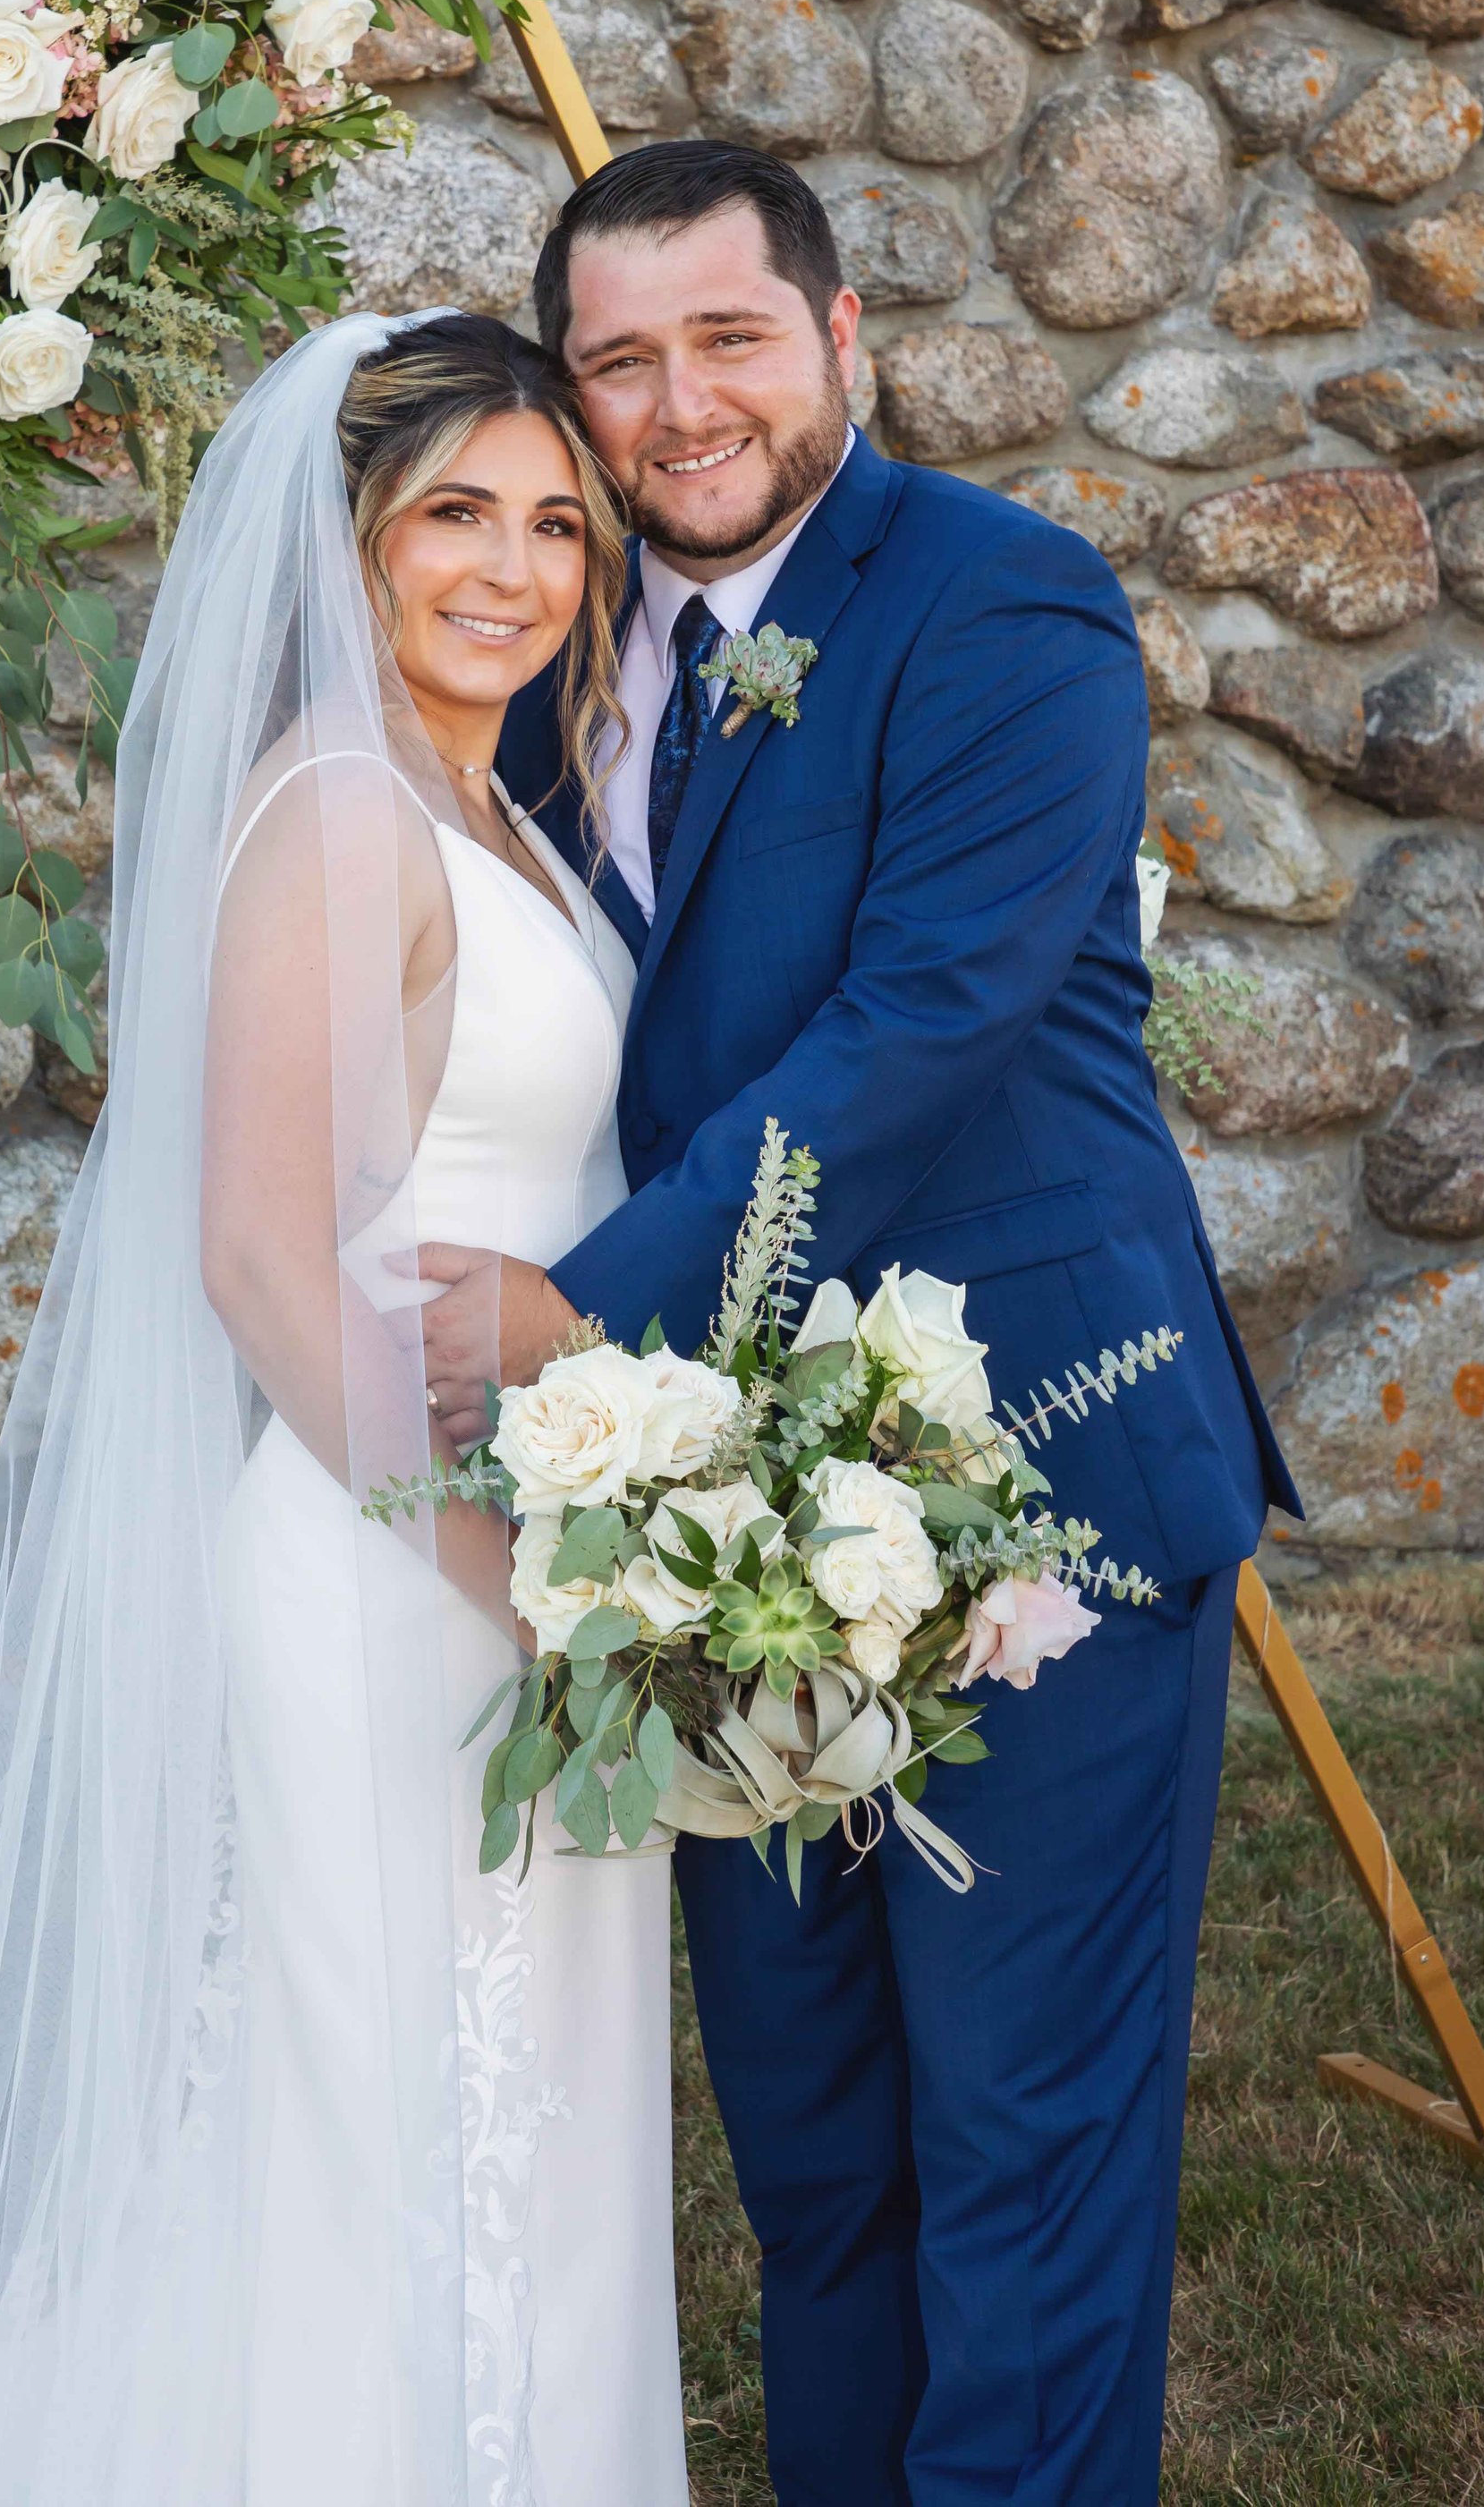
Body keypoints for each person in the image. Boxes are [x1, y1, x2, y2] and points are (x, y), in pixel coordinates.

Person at [0, 306, 689, 2507]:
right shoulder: (330, 814)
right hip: (394, 1562)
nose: (514, 568)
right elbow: (260, 1261)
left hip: (517, 1552)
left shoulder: (477, 799)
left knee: (507, 2116)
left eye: (558, 524)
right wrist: (500, 1569)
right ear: (351, 538)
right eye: (454, 515)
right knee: (343, 2124)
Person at [428, 142, 1299, 2507]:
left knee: (1019, 2166)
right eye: (617, 360)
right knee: (814, 2171)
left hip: (1034, 1486)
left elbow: (903, 1047)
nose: (674, 404)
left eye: (723, 338)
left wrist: (551, 1339)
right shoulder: (551, 660)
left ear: (837, 337)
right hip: (708, 1515)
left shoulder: (1003, 608)